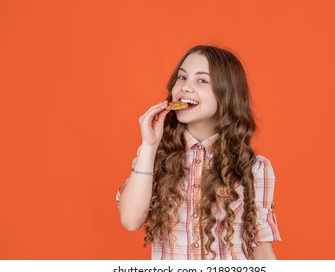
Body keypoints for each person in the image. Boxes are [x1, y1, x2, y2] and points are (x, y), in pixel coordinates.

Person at [116, 45, 281, 260]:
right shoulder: (154, 157)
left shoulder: (255, 167)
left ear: (226, 93)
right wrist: (149, 146)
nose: (185, 87)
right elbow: (130, 220)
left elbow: (260, 247)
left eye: (201, 80)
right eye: (182, 77)